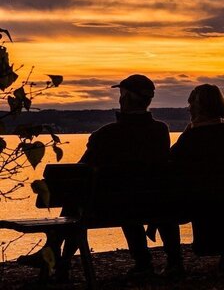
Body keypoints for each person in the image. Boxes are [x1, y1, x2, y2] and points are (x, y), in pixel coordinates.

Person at [18, 74, 182, 279]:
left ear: (126, 98)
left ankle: (59, 260)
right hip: (151, 203)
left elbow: (78, 172)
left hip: (111, 207)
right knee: (107, 197)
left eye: (122, 94)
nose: (120, 98)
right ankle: (141, 263)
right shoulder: (160, 131)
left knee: (77, 197)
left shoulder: (106, 134)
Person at [170, 84, 224, 271]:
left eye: (190, 104)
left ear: (198, 107)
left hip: (202, 203)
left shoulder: (191, 138)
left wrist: (187, 131)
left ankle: (174, 262)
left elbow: (170, 161)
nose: (188, 108)